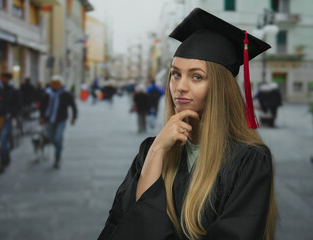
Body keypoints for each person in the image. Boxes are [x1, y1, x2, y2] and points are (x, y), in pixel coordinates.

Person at [98, 8, 277, 240]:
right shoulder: (151, 149)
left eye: (196, 77)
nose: (180, 86)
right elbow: (124, 223)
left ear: (220, 87)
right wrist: (157, 151)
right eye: (175, 74)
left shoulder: (249, 161)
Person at [40, 75, 77, 169]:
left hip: (61, 120)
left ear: (60, 84)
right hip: (49, 120)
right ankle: (59, 148)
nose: (55, 85)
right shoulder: (47, 93)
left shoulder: (66, 94)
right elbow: (43, 106)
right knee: (52, 138)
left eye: (57, 83)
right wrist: (42, 117)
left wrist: (73, 117)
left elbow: (73, 106)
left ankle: (57, 157)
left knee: (57, 138)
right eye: (53, 83)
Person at [0, 72, 21, 174]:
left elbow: (17, 105)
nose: (3, 80)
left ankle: (2, 162)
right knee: (3, 139)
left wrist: (11, 114)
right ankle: (6, 158)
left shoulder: (13, 90)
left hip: (6, 118)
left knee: (3, 139)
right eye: (2, 78)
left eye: (5, 78)